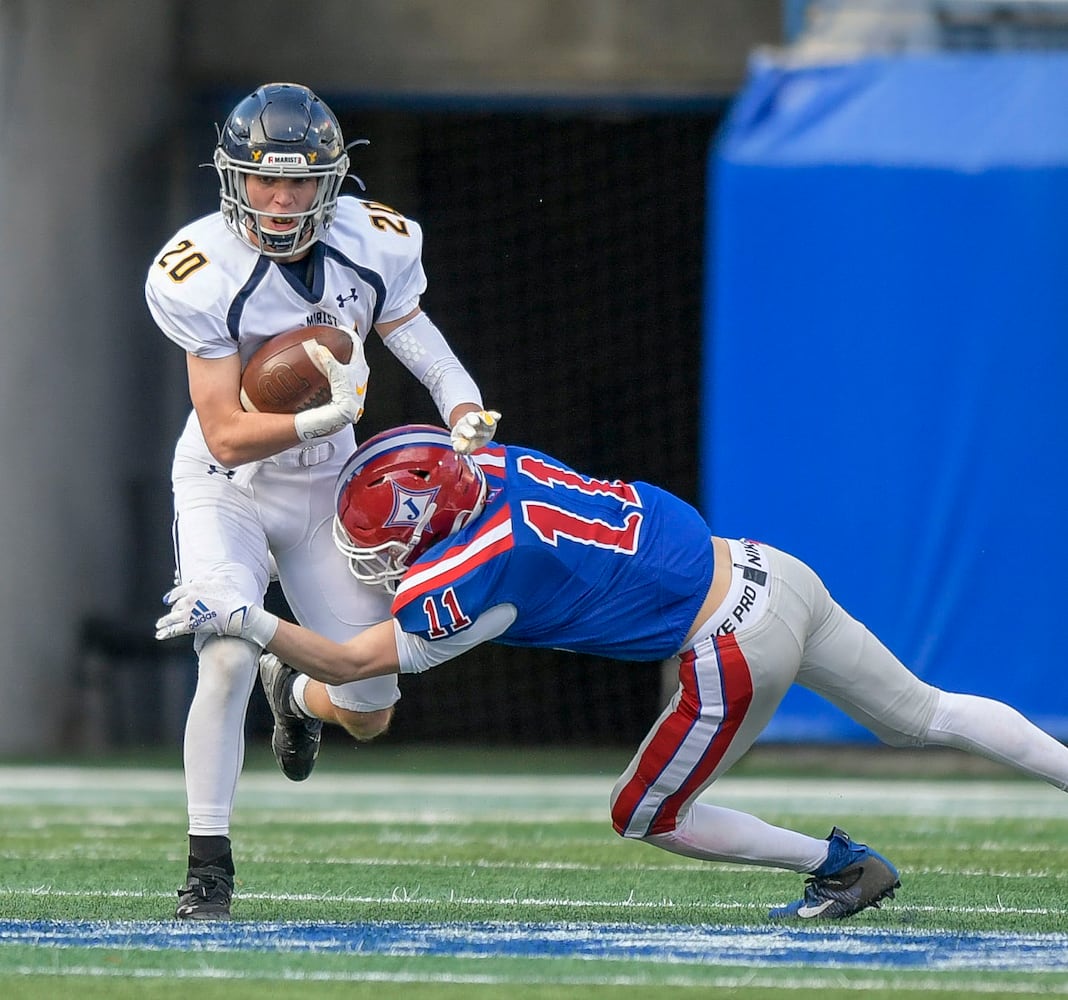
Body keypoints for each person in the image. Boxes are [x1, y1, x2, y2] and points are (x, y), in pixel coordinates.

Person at [155, 424, 1068, 920]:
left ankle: (841, 865)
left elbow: (358, 656)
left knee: (644, 816)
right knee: (925, 712)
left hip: (728, 643)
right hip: (767, 566)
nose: (373, 556)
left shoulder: (474, 573)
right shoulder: (490, 467)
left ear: (429, 521)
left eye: (384, 539)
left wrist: (251, 620)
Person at [145, 84, 500, 921]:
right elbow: (228, 434)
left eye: (302, 181)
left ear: (330, 179)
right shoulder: (199, 270)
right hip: (225, 484)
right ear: (232, 178)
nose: (282, 198)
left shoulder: (374, 241)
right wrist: (323, 412)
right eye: (266, 180)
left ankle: (294, 693)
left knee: (372, 708)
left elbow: (418, 340)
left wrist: (463, 408)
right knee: (224, 647)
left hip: (324, 484)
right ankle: (208, 870)